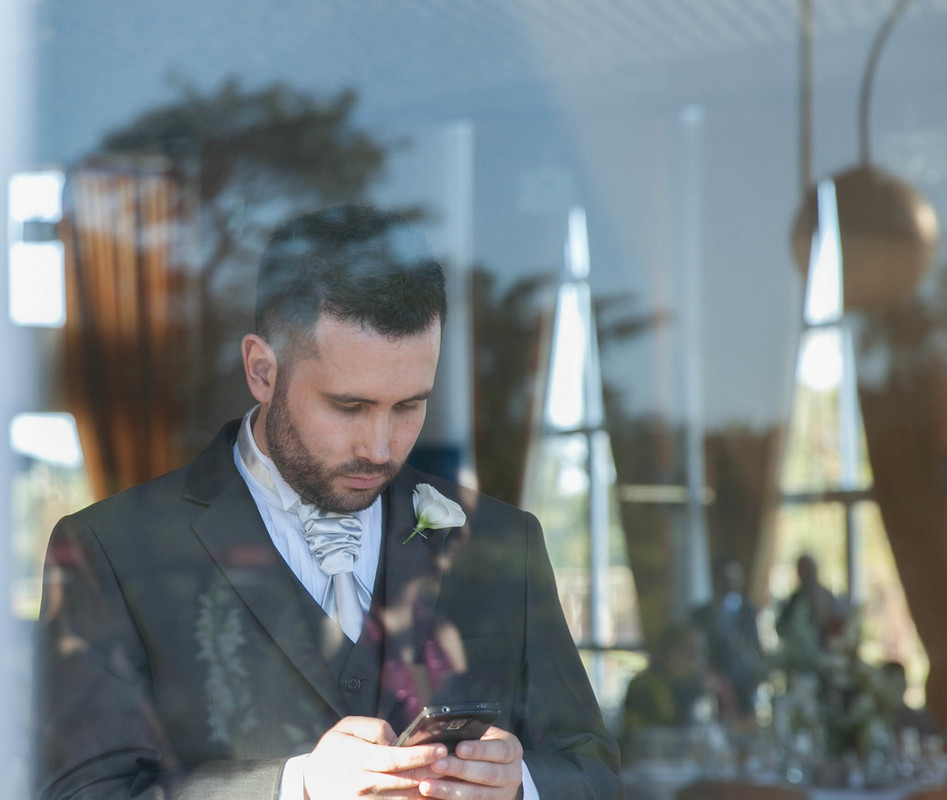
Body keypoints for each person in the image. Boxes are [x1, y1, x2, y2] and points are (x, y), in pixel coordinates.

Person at [35, 205, 620, 799]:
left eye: (410, 405)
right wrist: (297, 788)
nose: (380, 446)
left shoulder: (503, 539)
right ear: (262, 371)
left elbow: (592, 771)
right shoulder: (110, 551)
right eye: (350, 406)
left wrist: (518, 784)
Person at [690, 559, 763, 715]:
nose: (730, 583)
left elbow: (754, 643)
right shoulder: (702, 613)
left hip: (743, 680)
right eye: (726, 579)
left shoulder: (748, 610)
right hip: (712, 679)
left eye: (734, 579)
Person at [776, 553, 842, 651]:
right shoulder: (795, 599)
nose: (806, 573)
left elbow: (837, 628)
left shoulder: (827, 596)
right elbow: (781, 628)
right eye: (803, 570)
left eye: (808, 569)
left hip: (824, 653)